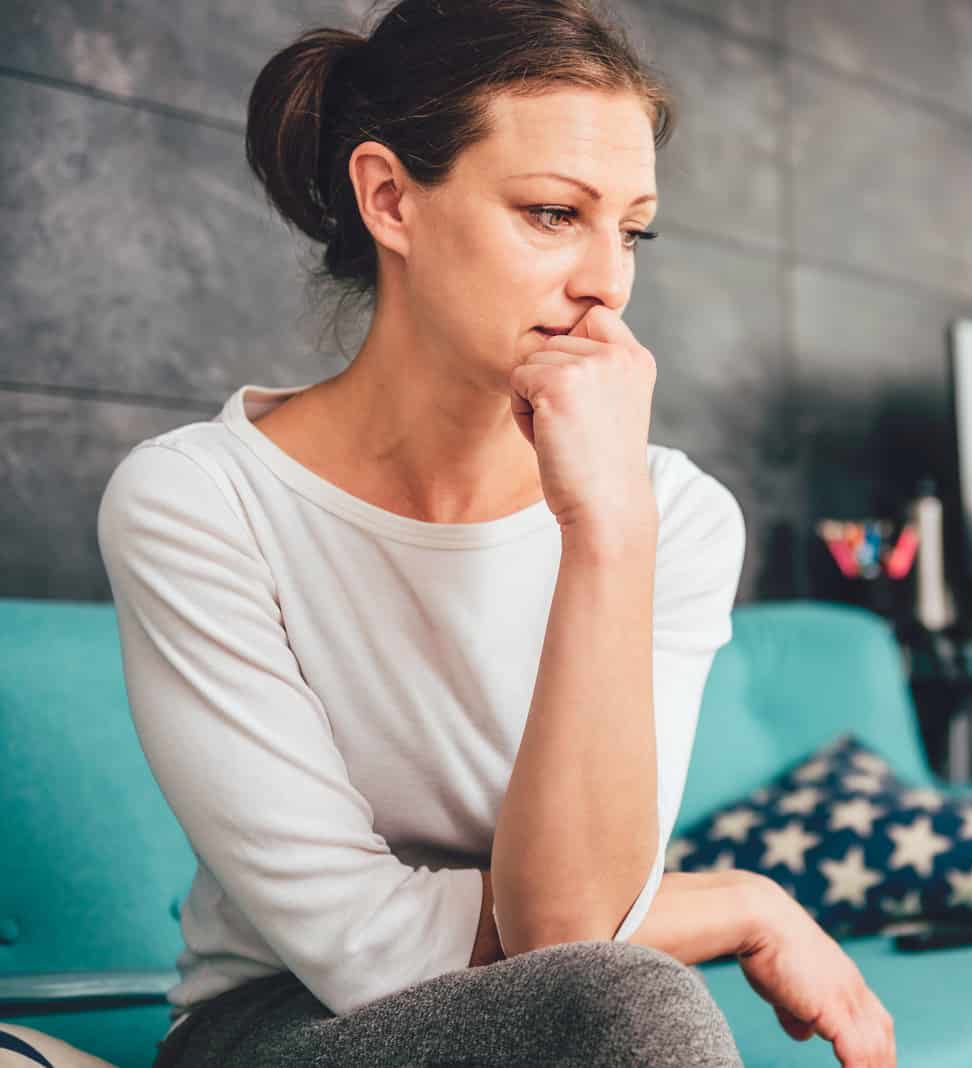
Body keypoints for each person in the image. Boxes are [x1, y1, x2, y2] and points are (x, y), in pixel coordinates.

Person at [94, 1, 895, 1064]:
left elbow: (570, 934)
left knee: (616, 995)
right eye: (555, 213)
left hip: (566, 1001)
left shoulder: (677, 515)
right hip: (279, 1027)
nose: (606, 282)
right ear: (389, 198)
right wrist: (735, 903)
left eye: (632, 229)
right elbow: (367, 947)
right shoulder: (198, 501)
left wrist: (606, 527)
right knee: (628, 1003)